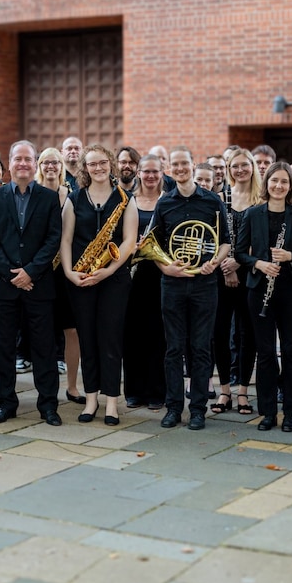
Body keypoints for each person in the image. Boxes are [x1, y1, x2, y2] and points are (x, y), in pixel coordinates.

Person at [0, 140, 64, 426]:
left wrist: (30, 272)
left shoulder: (49, 197)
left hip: (39, 285)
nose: (23, 164)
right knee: (3, 347)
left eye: (28, 159)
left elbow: (53, 239)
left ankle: (48, 405)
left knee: (44, 348)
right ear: (10, 162)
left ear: (35, 163)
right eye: (18, 159)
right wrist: (13, 274)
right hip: (4, 286)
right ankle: (6, 402)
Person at [153, 147, 230, 431]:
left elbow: (225, 241)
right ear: (170, 169)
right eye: (175, 165)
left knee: (200, 348)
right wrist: (165, 267)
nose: (180, 168)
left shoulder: (212, 201)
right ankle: (174, 407)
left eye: (184, 163)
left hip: (203, 283)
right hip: (172, 283)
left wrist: (215, 262)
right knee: (173, 348)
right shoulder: (164, 204)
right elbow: (155, 246)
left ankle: (198, 409)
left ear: (193, 165)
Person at [235, 162, 292, 432]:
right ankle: (267, 412)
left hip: (291, 291)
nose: (279, 186)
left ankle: (291, 412)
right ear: (266, 183)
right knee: (266, 353)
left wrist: (290, 256)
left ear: (290, 186)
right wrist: (259, 264)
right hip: (260, 289)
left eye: (284, 182)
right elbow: (240, 253)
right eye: (274, 181)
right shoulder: (252, 214)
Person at [61, 145, 138, 426]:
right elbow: (66, 240)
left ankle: (111, 403)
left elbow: (129, 242)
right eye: (92, 164)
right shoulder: (74, 199)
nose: (98, 168)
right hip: (80, 278)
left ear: (111, 165)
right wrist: (70, 273)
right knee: (88, 339)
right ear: (85, 168)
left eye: (103, 163)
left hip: (114, 279)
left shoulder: (125, 199)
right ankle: (91, 398)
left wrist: (107, 271)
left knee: (110, 339)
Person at [210, 149, 259, 415]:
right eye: (234, 165)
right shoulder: (219, 198)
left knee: (246, 333)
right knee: (219, 333)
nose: (240, 170)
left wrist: (238, 263)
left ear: (252, 167)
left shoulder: (261, 199)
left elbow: (263, 240)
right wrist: (226, 266)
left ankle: (242, 391)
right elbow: (215, 238)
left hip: (250, 273)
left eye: (245, 165)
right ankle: (225, 390)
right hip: (221, 272)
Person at [35, 147, 83, 403]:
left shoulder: (72, 195)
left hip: (66, 270)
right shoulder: (32, 193)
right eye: (46, 162)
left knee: (71, 330)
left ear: (62, 166)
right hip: (41, 270)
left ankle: (73, 386)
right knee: (42, 330)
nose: (51, 166)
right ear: (39, 166)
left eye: (55, 162)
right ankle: (47, 387)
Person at [124, 155, 167, 410]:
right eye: (146, 171)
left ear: (163, 173)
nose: (150, 176)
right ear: (138, 173)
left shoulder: (167, 201)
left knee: (157, 334)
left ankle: (156, 391)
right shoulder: (128, 200)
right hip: (132, 275)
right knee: (131, 333)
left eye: (155, 171)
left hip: (159, 274)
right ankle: (134, 391)